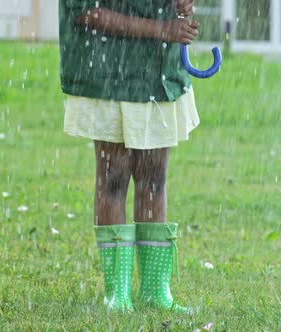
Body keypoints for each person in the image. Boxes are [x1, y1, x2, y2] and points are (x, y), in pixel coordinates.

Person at [59, 0, 200, 312]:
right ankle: (117, 294)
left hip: (158, 75)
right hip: (109, 74)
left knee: (153, 180)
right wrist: (163, 29)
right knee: (113, 178)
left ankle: (154, 290)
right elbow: (87, 13)